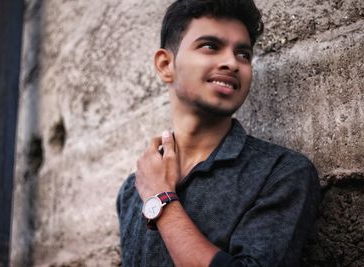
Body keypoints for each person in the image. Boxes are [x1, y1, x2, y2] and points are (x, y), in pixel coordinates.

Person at [116, 0, 321, 266]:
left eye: (243, 54)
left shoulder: (281, 173)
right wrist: (153, 190)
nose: (232, 63)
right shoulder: (132, 190)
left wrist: (161, 199)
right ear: (166, 65)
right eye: (210, 46)